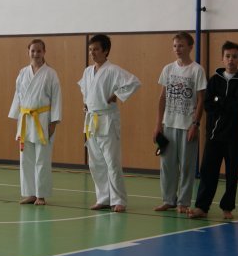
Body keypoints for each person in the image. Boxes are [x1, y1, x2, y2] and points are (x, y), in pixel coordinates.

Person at [189, 41, 238, 220]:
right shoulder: (214, 80)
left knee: (232, 174)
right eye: (228, 56)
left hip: (235, 136)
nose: (231, 60)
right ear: (222, 58)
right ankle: (202, 207)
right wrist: (224, 101)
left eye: (234, 56)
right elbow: (208, 104)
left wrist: (220, 100)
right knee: (208, 172)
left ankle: (227, 208)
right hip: (214, 135)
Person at [78, 34, 141, 213]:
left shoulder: (113, 70)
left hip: (107, 119)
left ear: (106, 51)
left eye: (96, 49)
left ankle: (119, 199)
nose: (93, 53)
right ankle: (103, 198)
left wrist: (116, 95)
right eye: (91, 50)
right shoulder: (88, 71)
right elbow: (84, 89)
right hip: (92, 119)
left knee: (112, 162)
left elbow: (134, 83)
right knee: (96, 162)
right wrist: (86, 102)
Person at [153, 32, 207, 214]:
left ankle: (183, 201)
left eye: (181, 45)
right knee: (167, 165)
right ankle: (168, 199)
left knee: (186, 166)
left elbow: (201, 100)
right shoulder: (168, 69)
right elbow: (162, 98)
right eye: (175, 46)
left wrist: (195, 124)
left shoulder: (197, 70)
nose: (178, 49)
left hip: (187, 126)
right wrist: (158, 124)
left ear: (190, 47)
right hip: (168, 124)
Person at [9, 39, 62, 205]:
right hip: (26, 119)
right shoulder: (23, 72)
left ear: (44, 52)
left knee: (42, 159)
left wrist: (54, 122)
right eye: (33, 51)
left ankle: (41, 195)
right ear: (28, 52)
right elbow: (18, 95)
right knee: (26, 159)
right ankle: (30, 193)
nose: (35, 54)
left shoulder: (51, 73)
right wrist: (17, 118)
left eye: (39, 51)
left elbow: (56, 98)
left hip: (43, 119)